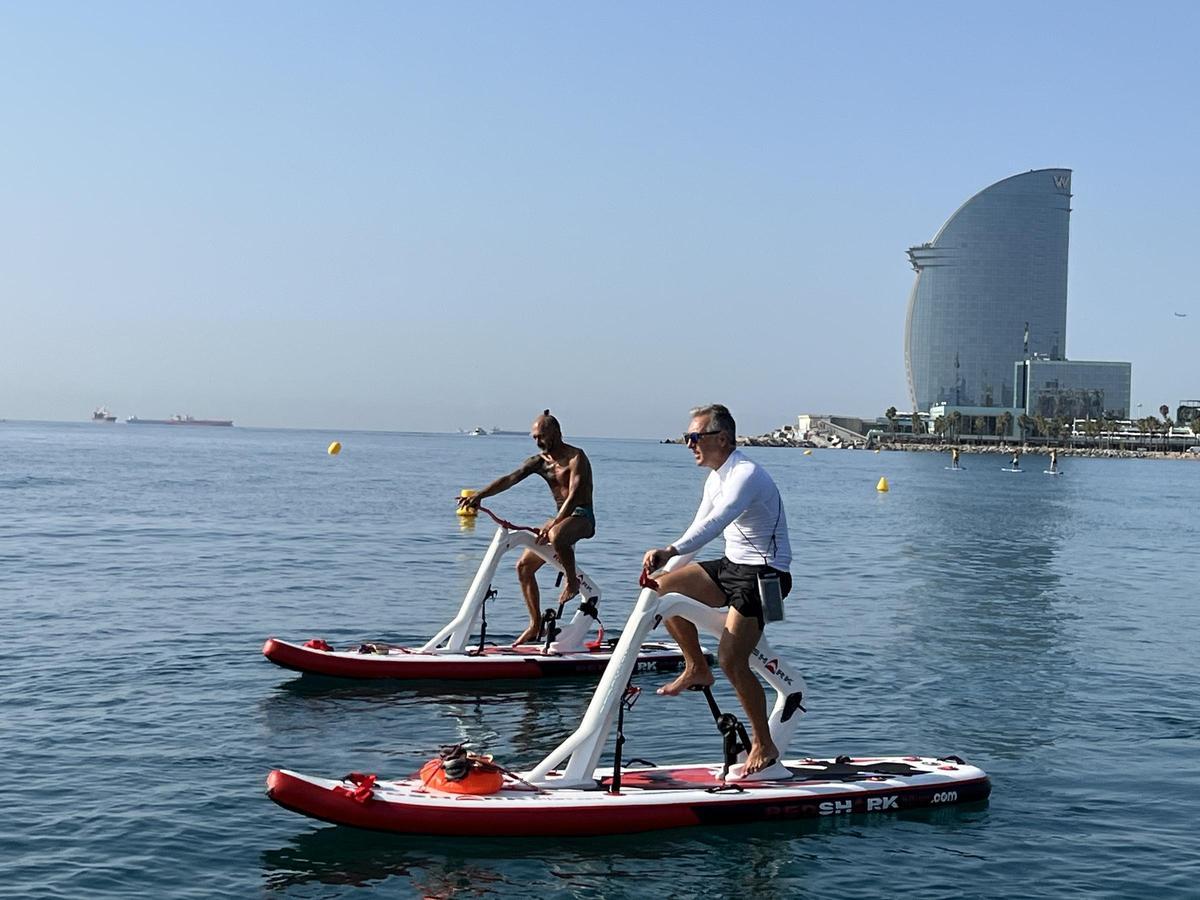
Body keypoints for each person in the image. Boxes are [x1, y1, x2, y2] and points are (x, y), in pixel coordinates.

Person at [642, 404, 792, 775]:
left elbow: (716, 523)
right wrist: (664, 570)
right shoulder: (715, 477)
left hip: (765, 575)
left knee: (731, 659)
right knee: (662, 591)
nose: (688, 444)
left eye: (694, 438)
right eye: (686, 438)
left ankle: (765, 745)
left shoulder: (746, 475)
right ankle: (695, 666)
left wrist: (668, 550)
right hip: (730, 567)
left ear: (721, 439)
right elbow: (697, 534)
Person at [458, 410, 595, 645]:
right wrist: (480, 495)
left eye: (540, 435)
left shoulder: (576, 457)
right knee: (523, 567)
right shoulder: (539, 463)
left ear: (556, 432)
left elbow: (573, 496)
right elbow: (510, 479)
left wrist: (555, 522)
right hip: (560, 520)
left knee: (556, 534)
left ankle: (572, 581)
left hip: (582, 517)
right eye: (533, 437)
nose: (537, 441)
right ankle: (535, 625)